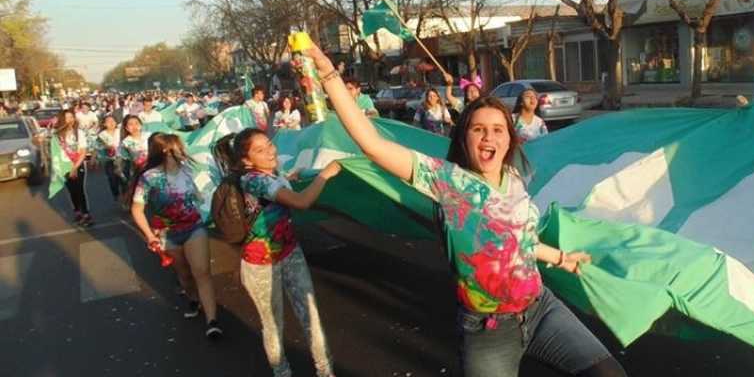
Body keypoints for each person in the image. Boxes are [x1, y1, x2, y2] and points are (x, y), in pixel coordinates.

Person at [312, 42, 626, 377]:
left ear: (509, 139)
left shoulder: (515, 179)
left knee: (609, 374)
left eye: (497, 130)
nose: (488, 137)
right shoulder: (449, 181)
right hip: (488, 330)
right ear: (465, 138)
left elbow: (520, 241)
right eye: (478, 129)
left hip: (541, 309)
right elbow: (372, 144)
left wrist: (562, 258)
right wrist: (328, 74)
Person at [213, 128, 341, 377]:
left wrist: (289, 177)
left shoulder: (270, 173)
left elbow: (279, 189)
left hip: (290, 252)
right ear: (246, 160)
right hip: (260, 264)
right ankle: (282, 372)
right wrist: (326, 174)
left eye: (269, 144)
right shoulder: (254, 179)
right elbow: (302, 202)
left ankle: (325, 371)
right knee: (272, 324)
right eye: (260, 150)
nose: (271, 151)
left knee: (310, 315)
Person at [130, 133, 222, 338]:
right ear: (166, 151)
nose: (183, 151)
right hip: (168, 234)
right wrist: (149, 236)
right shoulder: (150, 177)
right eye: (179, 147)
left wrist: (203, 200)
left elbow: (196, 195)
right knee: (185, 276)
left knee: (202, 272)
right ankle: (192, 299)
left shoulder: (187, 170)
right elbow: (137, 209)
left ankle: (212, 321)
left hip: (194, 228)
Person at [53, 109, 93, 226]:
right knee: (71, 191)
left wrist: (74, 168)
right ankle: (77, 212)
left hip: (77, 165)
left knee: (79, 190)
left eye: (71, 117)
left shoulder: (78, 133)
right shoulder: (57, 135)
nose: (69, 120)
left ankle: (86, 214)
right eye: (67, 117)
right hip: (63, 167)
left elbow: (83, 151)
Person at [119, 115, 152, 198]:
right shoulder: (125, 142)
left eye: (137, 123)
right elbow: (123, 159)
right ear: (126, 128)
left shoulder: (149, 136)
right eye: (130, 124)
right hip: (138, 171)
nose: (134, 126)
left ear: (141, 125)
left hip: (154, 167)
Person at [95, 114, 125, 204]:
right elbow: (97, 147)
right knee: (112, 179)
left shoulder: (121, 131)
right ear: (104, 124)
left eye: (113, 121)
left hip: (122, 158)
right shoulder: (101, 135)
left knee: (124, 179)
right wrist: (106, 147)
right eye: (108, 121)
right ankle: (116, 195)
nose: (111, 123)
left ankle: (126, 197)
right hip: (109, 160)